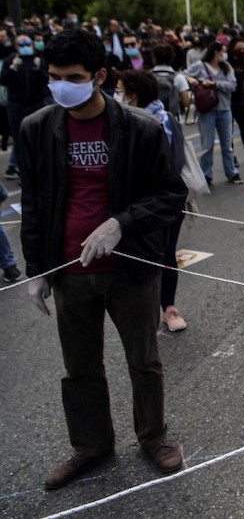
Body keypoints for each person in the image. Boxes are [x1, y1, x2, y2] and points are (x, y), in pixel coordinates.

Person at [20, 28, 188, 488]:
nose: (60, 86)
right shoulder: (37, 129)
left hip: (130, 267)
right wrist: (36, 270)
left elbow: (172, 195)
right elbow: (33, 206)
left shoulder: (139, 128)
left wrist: (121, 223)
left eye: (72, 76)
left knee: (144, 360)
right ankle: (90, 446)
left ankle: (153, 437)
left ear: (100, 76)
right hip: (69, 270)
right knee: (80, 366)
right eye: (53, 76)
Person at [116, 69, 188, 332]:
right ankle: (139, 309)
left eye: (120, 90)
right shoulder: (116, 121)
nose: (117, 95)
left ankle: (168, 307)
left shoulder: (164, 120)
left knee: (166, 254)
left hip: (164, 202)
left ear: (133, 95)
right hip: (129, 205)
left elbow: (176, 161)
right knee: (135, 256)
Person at [186, 40, 242, 186]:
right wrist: (193, 80)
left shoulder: (226, 67)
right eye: (222, 51)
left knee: (227, 145)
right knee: (207, 145)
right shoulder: (200, 66)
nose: (224, 54)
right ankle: (206, 174)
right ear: (216, 52)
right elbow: (184, 75)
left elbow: (233, 85)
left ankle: (232, 172)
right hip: (206, 110)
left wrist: (215, 84)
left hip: (224, 109)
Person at [1, 31, 49, 178]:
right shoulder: (10, 61)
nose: (25, 47)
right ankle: (24, 172)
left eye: (28, 44)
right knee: (19, 140)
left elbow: (48, 81)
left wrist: (38, 70)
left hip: (37, 104)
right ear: (16, 46)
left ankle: (41, 170)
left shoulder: (38, 60)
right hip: (16, 106)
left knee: (40, 139)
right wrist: (13, 69)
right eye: (22, 44)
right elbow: (3, 80)